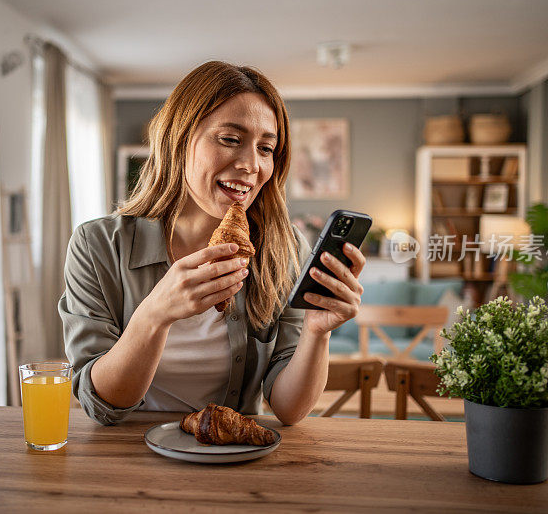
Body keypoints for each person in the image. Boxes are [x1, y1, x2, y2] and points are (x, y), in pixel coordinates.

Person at [59, 61, 365, 426]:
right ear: (180, 138)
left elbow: (289, 409)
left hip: (237, 459)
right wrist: (155, 314)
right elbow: (102, 405)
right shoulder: (97, 247)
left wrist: (317, 332)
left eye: (266, 148)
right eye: (230, 139)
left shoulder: (284, 250)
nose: (251, 165)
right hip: (130, 458)